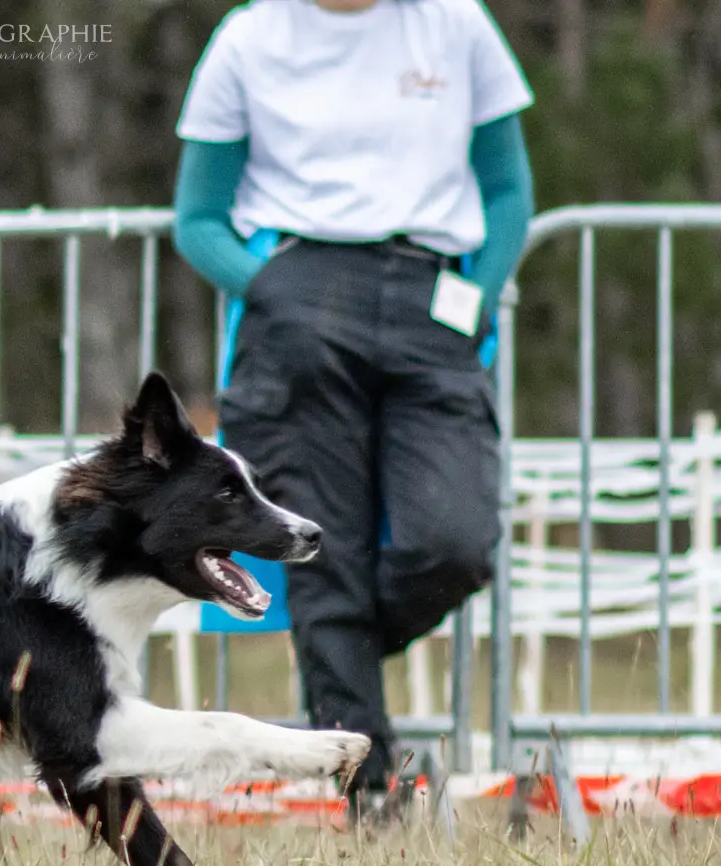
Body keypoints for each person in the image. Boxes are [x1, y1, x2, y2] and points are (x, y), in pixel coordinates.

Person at [171, 0, 535, 821]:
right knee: (319, 555)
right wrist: (268, 291)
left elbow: (509, 189)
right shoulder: (250, 37)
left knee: (454, 541)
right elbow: (197, 219)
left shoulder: (458, 24)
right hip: (297, 290)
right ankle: (374, 800)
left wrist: (476, 299)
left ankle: (346, 657)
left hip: (431, 288)